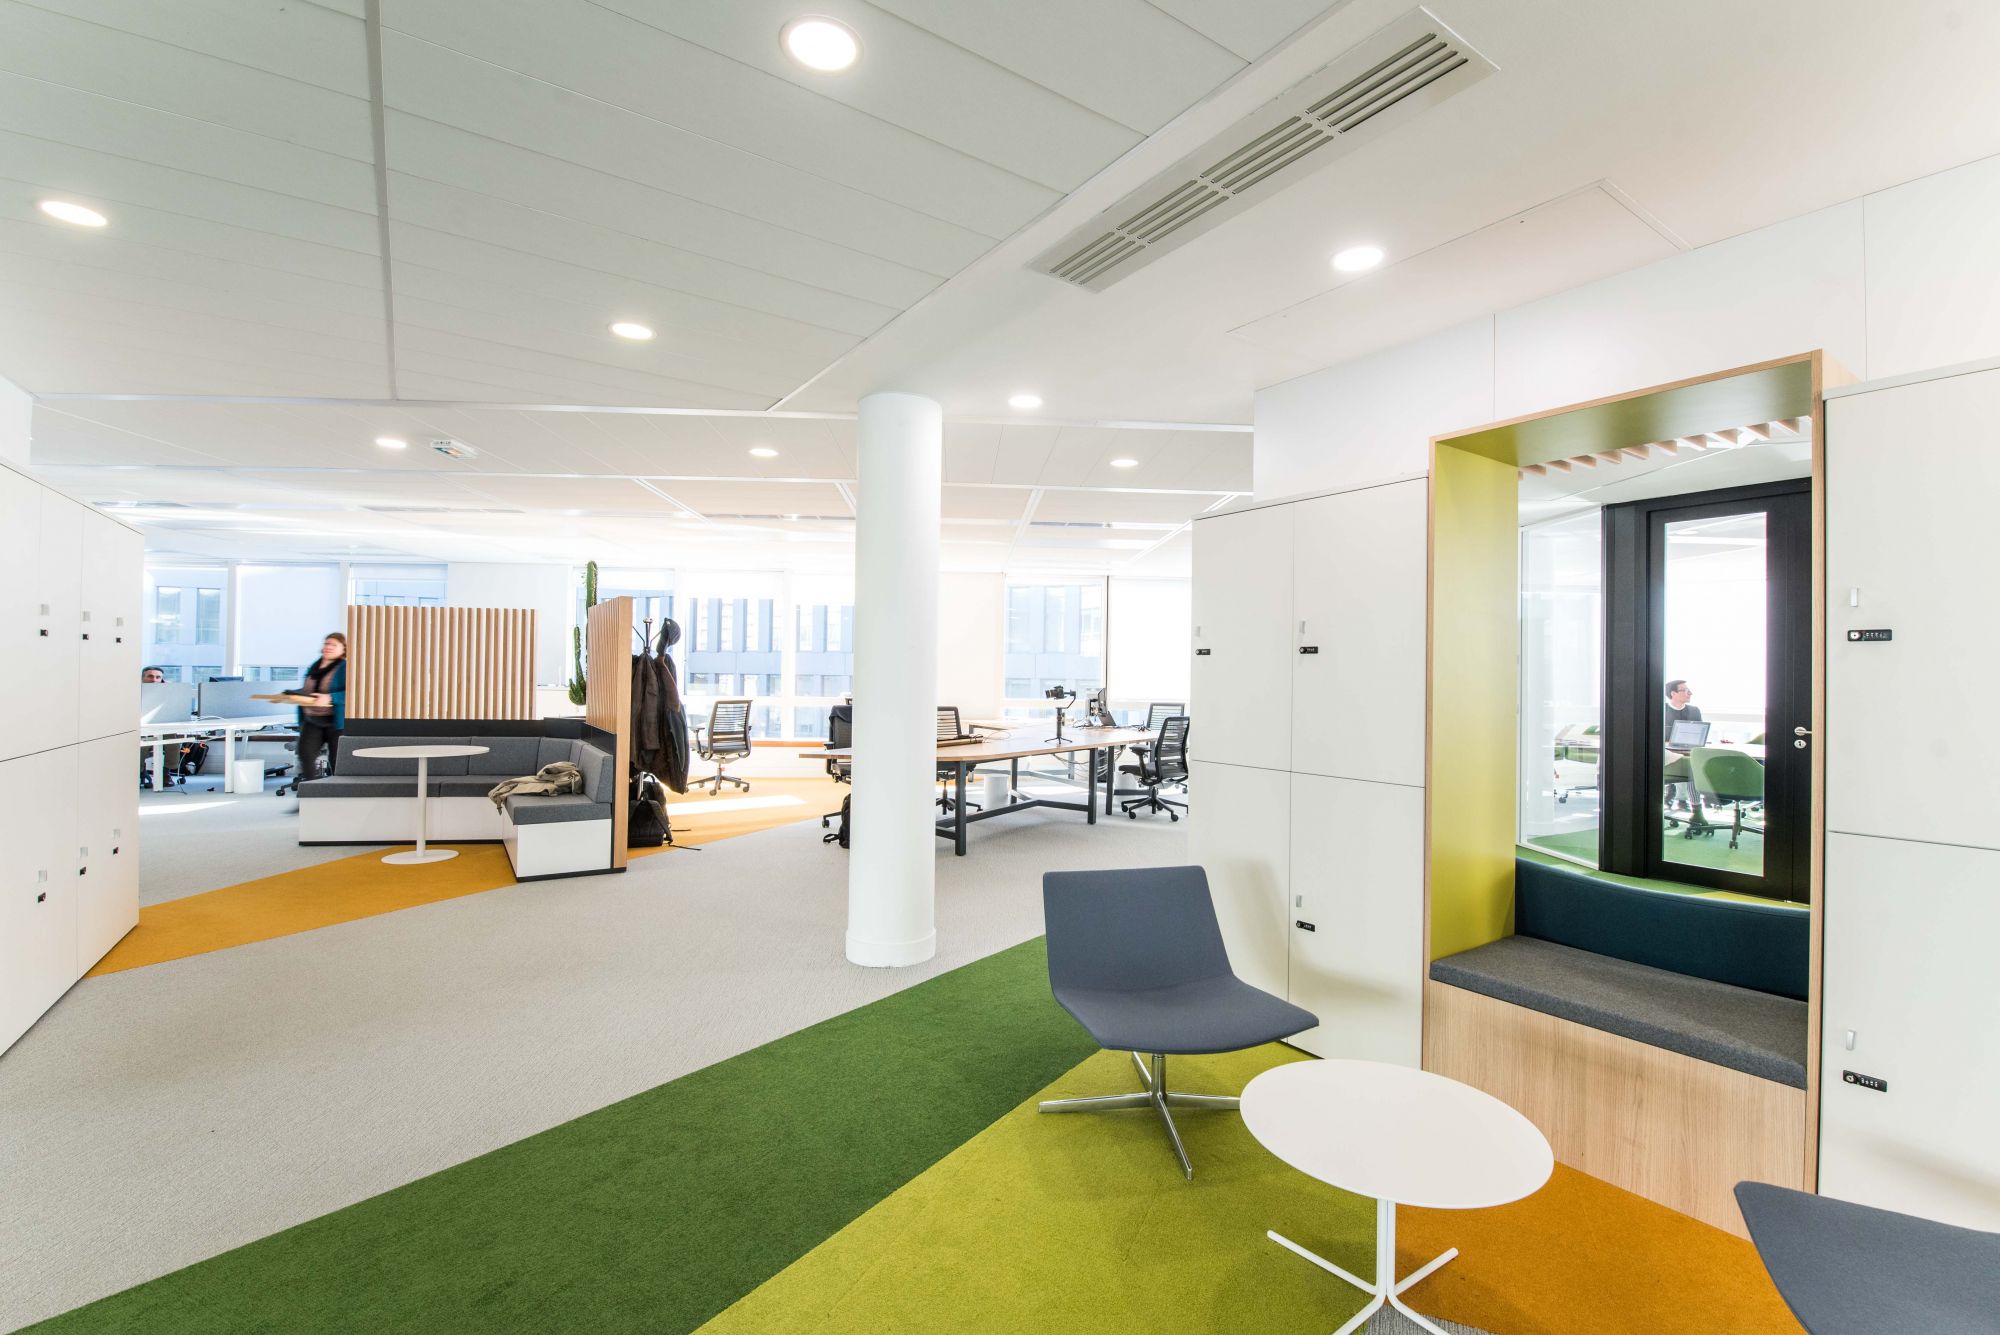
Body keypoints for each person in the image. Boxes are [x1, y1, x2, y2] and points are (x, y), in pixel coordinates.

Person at [296, 632, 348, 782]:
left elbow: (353, 693)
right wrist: (292, 696)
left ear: (343, 649)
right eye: (327, 643)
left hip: (335, 721)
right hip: (313, 719)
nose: (328, 647)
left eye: (334, 645)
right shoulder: (315, 666)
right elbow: (309, 689)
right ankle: (312, 788)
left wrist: (331, 697)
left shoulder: (344, 667)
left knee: (337, 759)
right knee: (305, 754)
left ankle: (338, 789)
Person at [1663, 678, 1705, 820]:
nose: (1690, 693)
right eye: (1686, 690)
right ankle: (1694, 808)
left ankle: (1685, 801)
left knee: (1695, 762)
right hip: (1667, 751)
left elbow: (1699, 733)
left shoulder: (1694, 711)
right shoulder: (1662, 710)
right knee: (1692, 766)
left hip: (1689, 750)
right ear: (1673, 693)